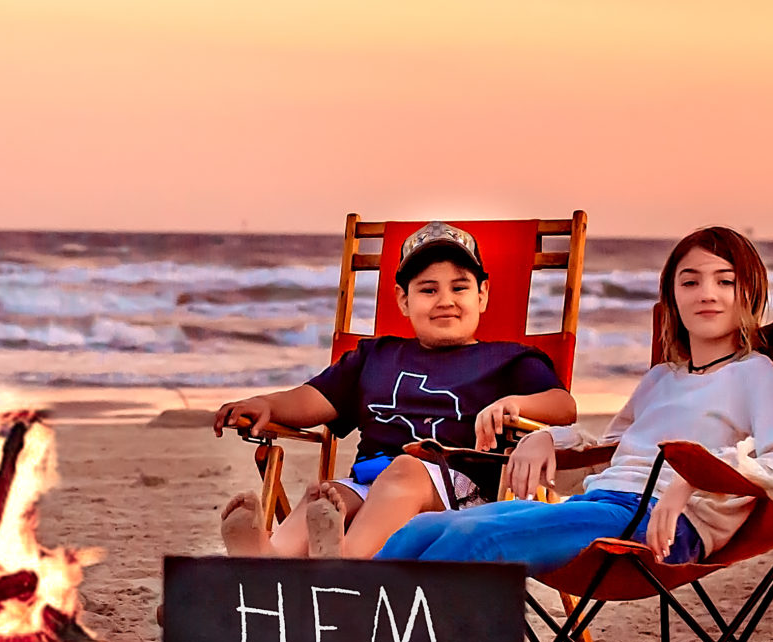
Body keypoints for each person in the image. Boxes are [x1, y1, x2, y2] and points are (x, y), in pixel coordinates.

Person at [375, 225, 773, 573]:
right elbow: (608, 452)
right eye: (690, 281)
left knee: (476, 541)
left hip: (656, 526)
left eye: (726, 281)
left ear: (750, 293)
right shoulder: (662, 379)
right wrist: (547, 440)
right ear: (672, 296)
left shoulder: (755, 373)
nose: (707, 293)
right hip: (600, 503)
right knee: (424, 528)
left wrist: (696, 477)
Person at [211, 222, 578, 559]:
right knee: (324, 497)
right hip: (368, 480)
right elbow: (314, 398)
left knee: (405, 470)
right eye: (428, 290)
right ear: (403, 300)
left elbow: (563, 406)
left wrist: (515, 402)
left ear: (482, 295)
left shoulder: (508, 360)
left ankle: (346, 557)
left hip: (456, 493)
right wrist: (267, 405)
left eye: (460, 287)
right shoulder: (376, 355)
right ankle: (264, 558)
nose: (445, 301)